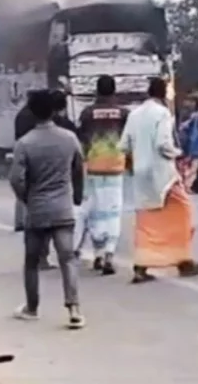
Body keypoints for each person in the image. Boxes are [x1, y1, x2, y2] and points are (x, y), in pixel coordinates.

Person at [9, 90, 85, 329]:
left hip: (37, 209)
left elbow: (16, 179)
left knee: (31, 261)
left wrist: (27, 198)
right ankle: (74, 309)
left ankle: (32, 308)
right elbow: (78, 169)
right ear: (53, 110)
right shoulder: (69, 138)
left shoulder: (25, 143)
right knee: (67, 259)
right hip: (63, 208)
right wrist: (76, 196)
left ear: (32, 112)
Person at [119, 78, 198, 283]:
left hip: (141, 174)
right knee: (183, 212)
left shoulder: (134, 114)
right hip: (162, 173)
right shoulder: (162, 113)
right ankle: (183, 260)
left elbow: (123, 145)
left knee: (147, 219)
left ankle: (142, 265)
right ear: (164, 93)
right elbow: (163, 144)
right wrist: (178, 153)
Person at [74, 76, 129, 275]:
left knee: (96, 211)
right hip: (116, 168)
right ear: (114, 90)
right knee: (113, 211)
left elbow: (81, 141)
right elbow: (128, 141)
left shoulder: (87, 113)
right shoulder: (124, 113)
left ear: (97, 90)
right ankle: (109, 254)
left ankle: (97, 254)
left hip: (93, 167)